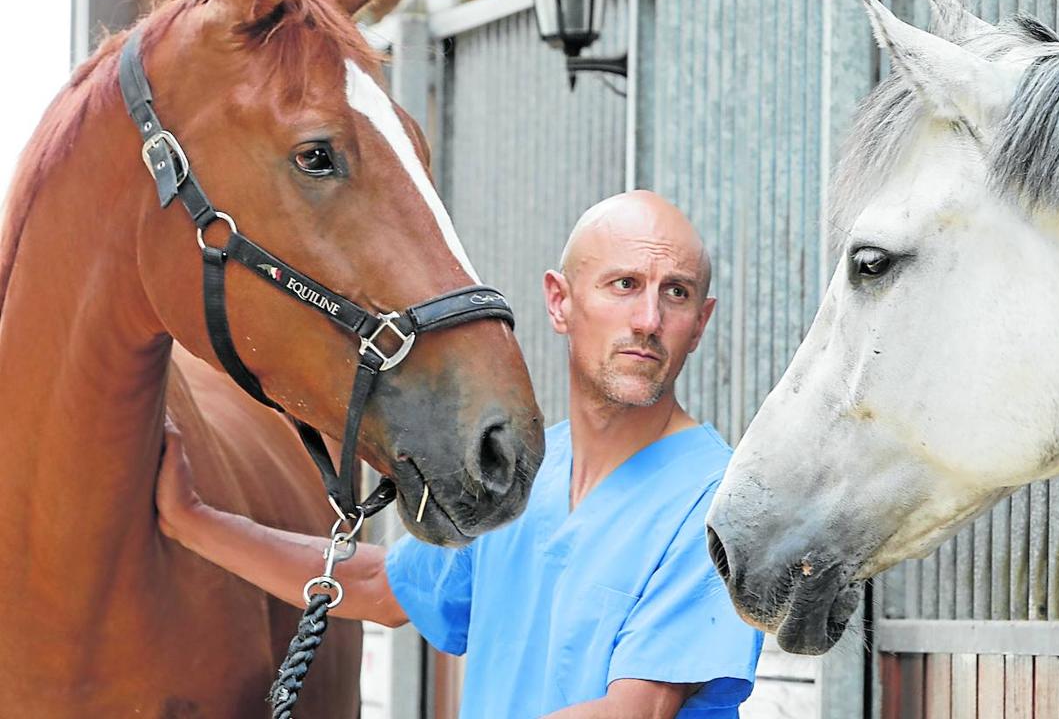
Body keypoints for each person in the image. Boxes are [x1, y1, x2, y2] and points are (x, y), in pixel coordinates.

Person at [156, 190, 763, 718]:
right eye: (624, 285)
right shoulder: (523, 475)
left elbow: (636, 711)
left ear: (701, 321)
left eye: (676, 294)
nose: (649, 319)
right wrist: (195, 523)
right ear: (560, 302)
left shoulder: (715, 503)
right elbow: (379, 585)